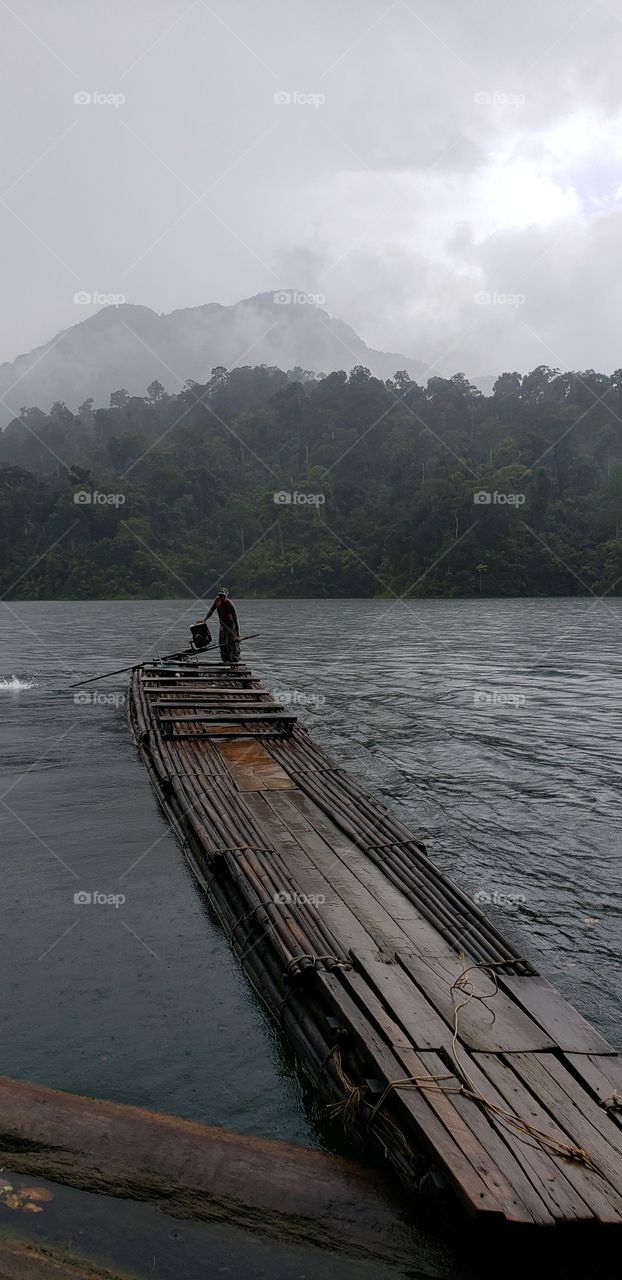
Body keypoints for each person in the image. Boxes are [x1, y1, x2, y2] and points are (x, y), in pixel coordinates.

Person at [204, 590, 241, 664]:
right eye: (220, 596)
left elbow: (236, 620)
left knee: (232, 645)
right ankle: (226, 661)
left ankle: (235, 662)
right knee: (222, 644)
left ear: (226, 596)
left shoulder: (230, 604)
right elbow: (211, 611)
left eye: (223, 596)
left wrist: (238, 635)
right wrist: (204, 620)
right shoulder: (217, 601)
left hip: (231, 627)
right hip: (222, 626)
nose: (221, 598)